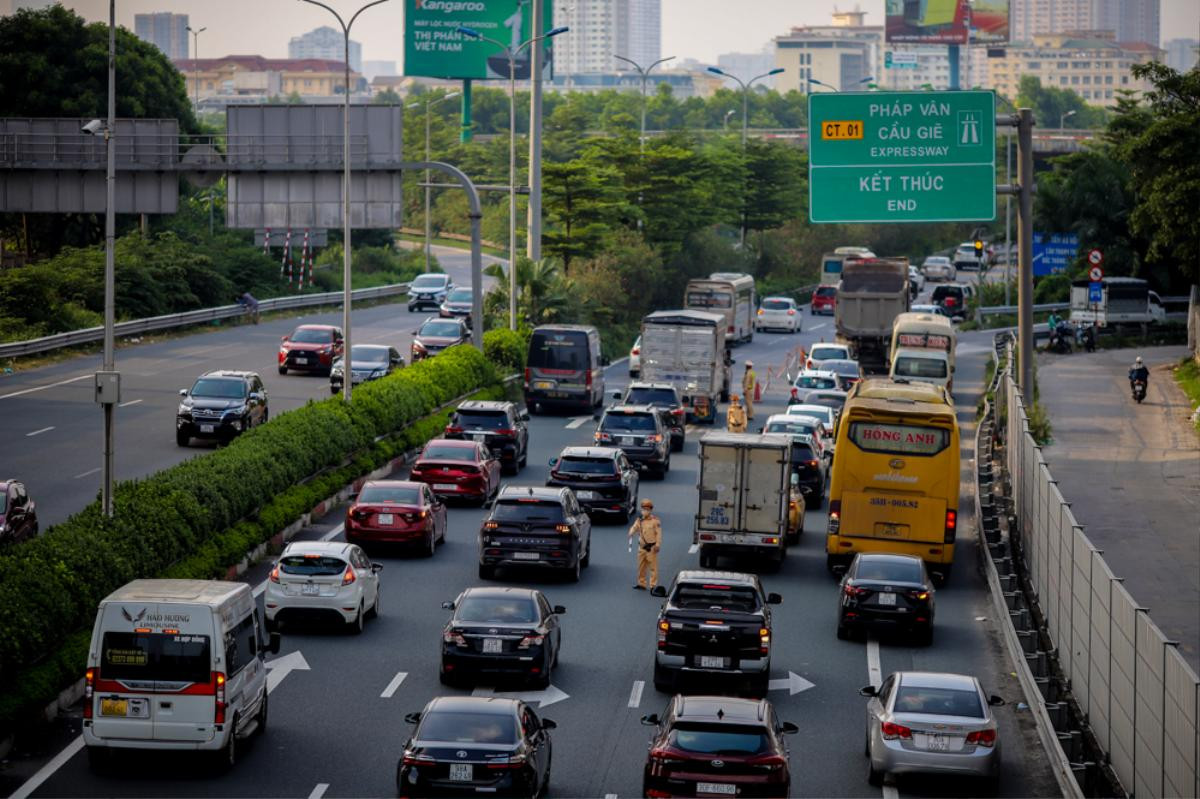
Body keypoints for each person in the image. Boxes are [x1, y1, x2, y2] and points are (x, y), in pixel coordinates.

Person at [628, 498, 661, 590]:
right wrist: (631, 532)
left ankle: (653, 585)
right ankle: (641, 583)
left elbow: (658, 534)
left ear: (650, 510)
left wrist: (658, 544)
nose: (644, 511)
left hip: (651, 548)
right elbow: (634, 527)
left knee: (653, 568)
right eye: (643, 509)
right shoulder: (639, 520)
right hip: (641, 548)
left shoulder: (655, 521)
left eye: (646, 509)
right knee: (641, 567)